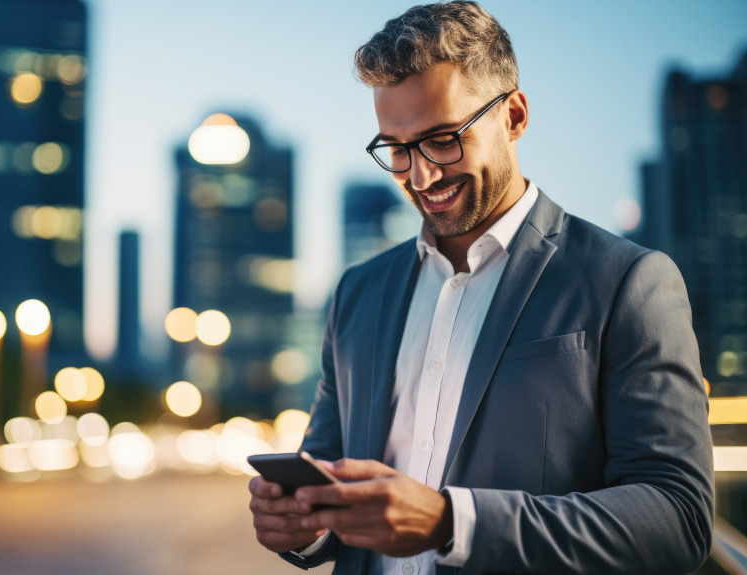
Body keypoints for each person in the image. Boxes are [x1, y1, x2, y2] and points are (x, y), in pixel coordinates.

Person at [247, 2, 714, 574]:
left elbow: (679, 517)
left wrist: (451, 523)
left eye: (443, 139)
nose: (421, 176)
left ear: (513, 116)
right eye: (397, 149)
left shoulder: (627, 282)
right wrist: (303, 524)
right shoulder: (356, 294)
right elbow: (327, 476)